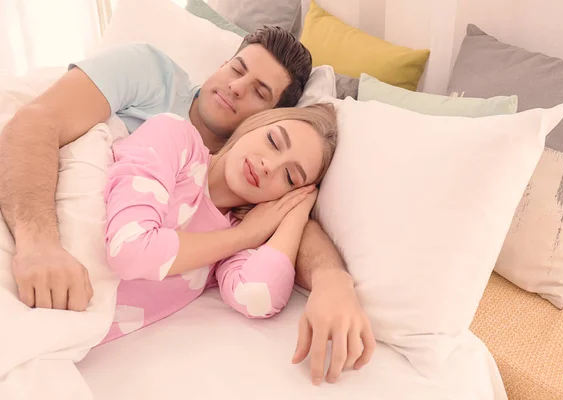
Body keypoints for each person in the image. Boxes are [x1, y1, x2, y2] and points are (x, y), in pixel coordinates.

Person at [0, 26, 375, 385]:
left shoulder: (235, 222)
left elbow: (258, 291)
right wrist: (38, 244)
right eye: (237, 68)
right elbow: (35, 122)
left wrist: (300, 217)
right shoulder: (161, 105)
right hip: (30, 225)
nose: (236, 87)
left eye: (260, 92)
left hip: (68, 324)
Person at [101, 103, 335, 345]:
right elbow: (129, 250)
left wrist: (298, 210)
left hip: (73, 332)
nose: (269, 166)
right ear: (254, 124)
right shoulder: (176, 138)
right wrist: (244, 235)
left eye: (289, 177)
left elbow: (258, 296)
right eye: (273, 141)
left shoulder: (236, 242)